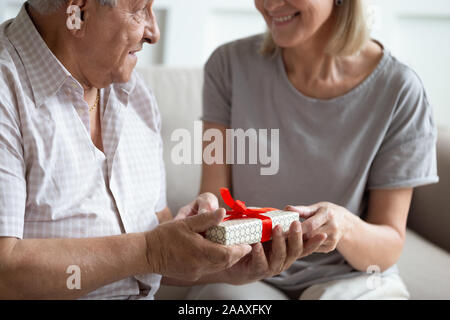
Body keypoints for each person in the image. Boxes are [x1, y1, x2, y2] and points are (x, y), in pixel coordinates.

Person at [0, 0, 307, 300]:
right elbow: (5, 272)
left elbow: (152, 256)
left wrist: (220, 265)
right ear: (77, 12)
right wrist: (151, 250)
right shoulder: (6, 91)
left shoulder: (133, 93)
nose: (154, 32)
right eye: (139, 9)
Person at [188, 0, 439, 300]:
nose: (269, 4)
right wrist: (204, 221)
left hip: (351, 280)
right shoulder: (228, 65)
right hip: (248, 275)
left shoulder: (399, 89)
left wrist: (343, 227)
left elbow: (388, 246)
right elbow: (216, 202)